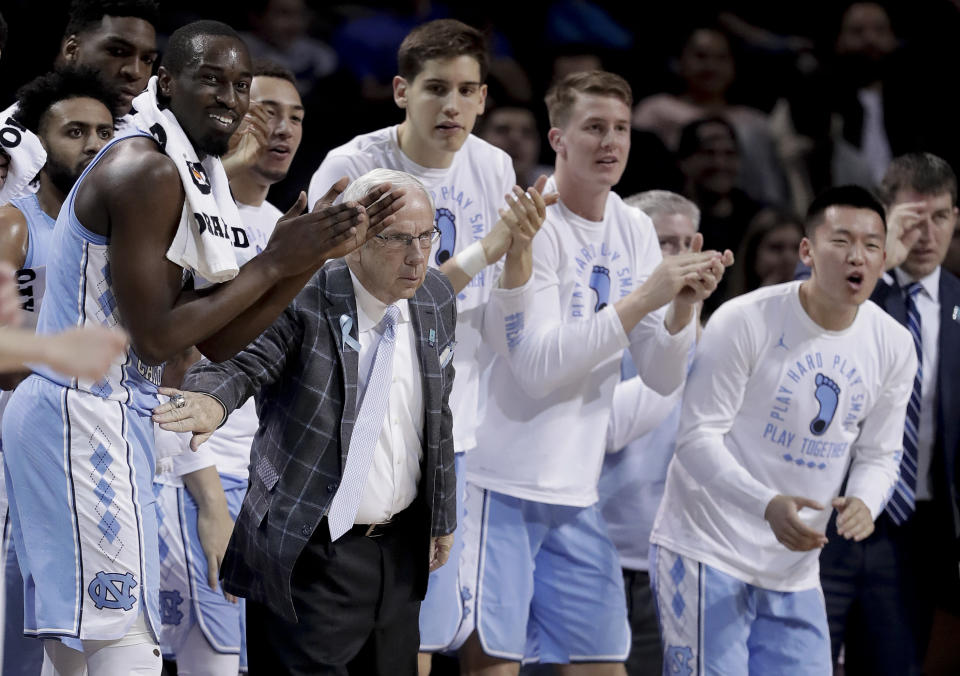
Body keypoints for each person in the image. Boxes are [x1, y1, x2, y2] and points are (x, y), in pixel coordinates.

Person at [0, 21, 402, 675]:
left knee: (86, 650)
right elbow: (156, 336)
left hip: (105, 413)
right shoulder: (145, 168)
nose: (230, 97)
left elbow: (212, 337)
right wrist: (274, 263)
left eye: (239, 83)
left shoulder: (194, 173)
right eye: (210, 79)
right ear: (168, 84)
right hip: (82, 413)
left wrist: (305, 259)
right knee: (121, 645)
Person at [461, 70, 730, 675]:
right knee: (494, 665)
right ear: (557, 138)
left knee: (604, 662)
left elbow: (661, 376)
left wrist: (683, 305)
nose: (610, 142)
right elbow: (535, 366)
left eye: (621, 130)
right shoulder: (532, 223)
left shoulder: (633, 227)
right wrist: (643, 299)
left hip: (579, 493)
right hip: (502, 484)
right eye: (594, 128)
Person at [307, 19, 549, 669]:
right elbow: (365, 300)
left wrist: (517, 252)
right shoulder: (354, 166)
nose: (452, 106)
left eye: (467, 90)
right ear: (399, 91)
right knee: (344, 622)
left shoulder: (494, 164)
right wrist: (488, 248)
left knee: (420, 628)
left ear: (484, 98)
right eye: (436, 88)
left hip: (448, 429)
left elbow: (504, 294)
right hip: (356, 427)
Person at [156, 168, 457, 674]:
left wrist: (442, 514)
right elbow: (238, 359)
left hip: (399, 553)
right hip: (308, 550)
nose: (417, 254)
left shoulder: (436, 297)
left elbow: (438, 412)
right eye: (399, 238)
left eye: (427, 236)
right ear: (355, 240)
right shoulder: (305, 292)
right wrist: (210, 402)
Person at [648, 185, 917, 675]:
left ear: (883, 258)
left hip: (793, 570)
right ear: (807, 251)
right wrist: (765, 504)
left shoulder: (894, 343)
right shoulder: (745, 319)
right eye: (841, 241)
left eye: (872, 245)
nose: (857, 256)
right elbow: (695, 439)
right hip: (708, 547)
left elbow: (881, 453)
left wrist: (864, 501)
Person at [152, 60, 306, 675]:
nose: (280, 128)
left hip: (259, 486)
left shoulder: (283, 230)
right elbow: (173, 366)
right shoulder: (178, 212)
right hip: (195, 477)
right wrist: (211, 500)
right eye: (265, 110)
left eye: (295, 117)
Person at [819, 153, 960, 675]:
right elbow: (800, 304)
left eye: (940, 218)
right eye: (910, 220)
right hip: (825, 519)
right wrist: (879, 264)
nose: (926, 235)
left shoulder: (958, 305)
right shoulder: (849, 286)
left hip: (913, 533)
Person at [0, 64, 117, 675]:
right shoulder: (16, 224)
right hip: (20, 455)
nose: (94, 145)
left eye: (104, 132)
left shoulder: (118, 235)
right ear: (39, 143)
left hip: (92, 447)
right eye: (75, 131)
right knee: (21, 639)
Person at [597, 190, 701, 676]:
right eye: (665, 244)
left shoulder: (713, 334)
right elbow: (611, 428)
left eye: (687, 244)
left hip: (674, 560)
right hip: (598, 552)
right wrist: (684, 332)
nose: (679, 259)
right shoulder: (603, 324)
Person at [632, 25, 787, 207]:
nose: (711, 66)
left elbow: (768, 186)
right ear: (680, 61)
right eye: (700, 56)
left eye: (721, 58)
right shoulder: (654, 112)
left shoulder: (755, 123)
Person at [56, 0, 160, 118]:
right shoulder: (32, 132)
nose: (136, 72)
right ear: (72, 50)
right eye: (117, 51)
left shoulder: (151, 134)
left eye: (147, 60)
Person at [725, 208, 804, 299]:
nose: (788, 258)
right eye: (776, 248)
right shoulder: (729, 309)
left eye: (796, 248)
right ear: (753, 255)